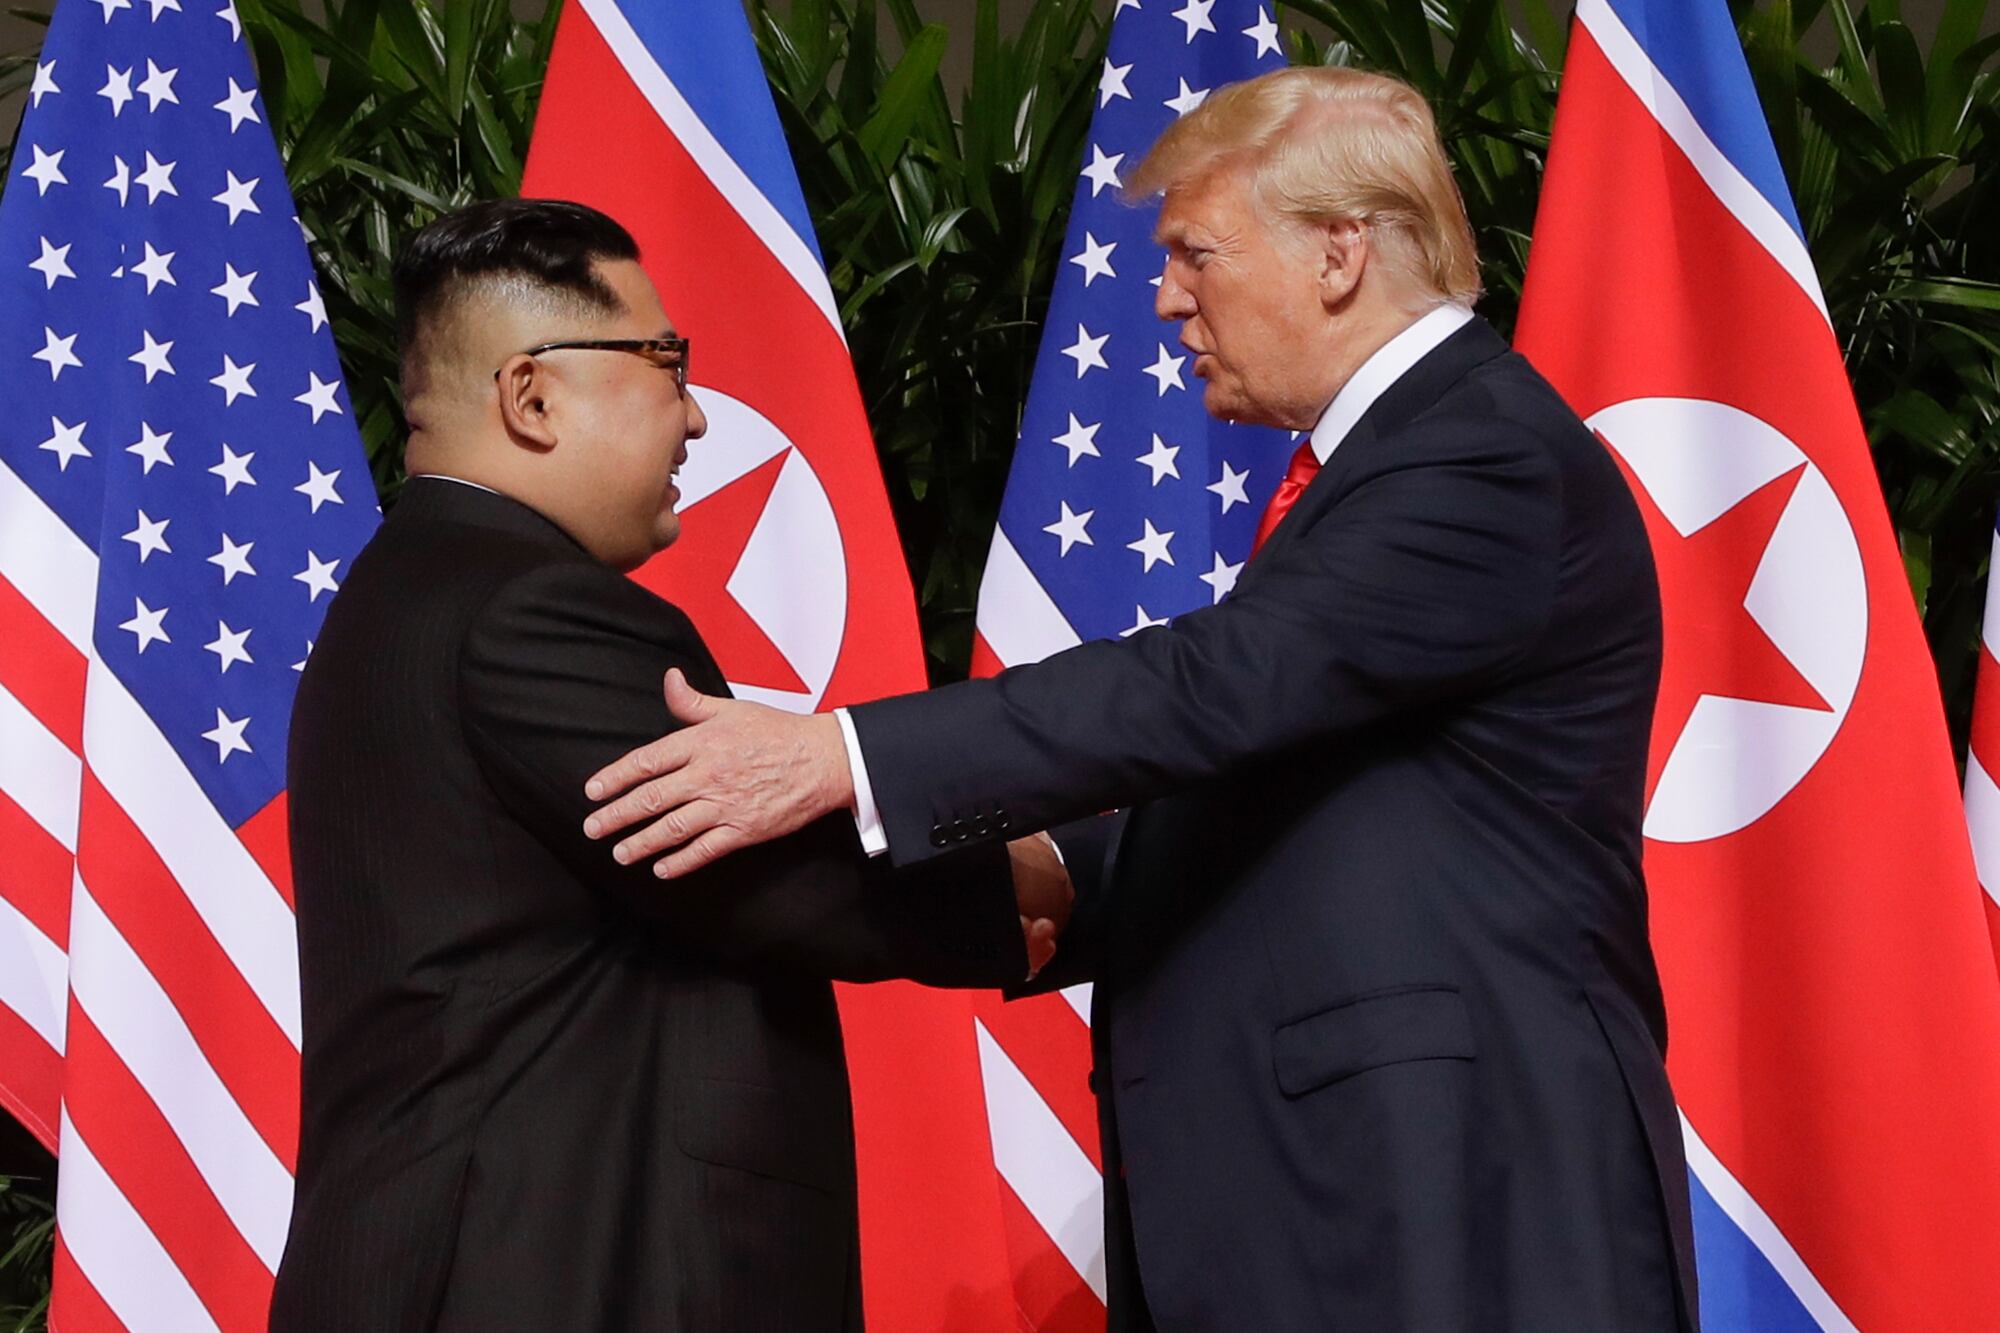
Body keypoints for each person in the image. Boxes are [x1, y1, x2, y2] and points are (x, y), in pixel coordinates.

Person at [581, 67, 1698, 1332]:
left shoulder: (1479, 453)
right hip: (1341, 1193)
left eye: (1195, 254)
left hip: (1445, 1182)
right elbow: (1297, 777)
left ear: (1338, 252)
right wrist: (1060, 870)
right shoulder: (1394, 461)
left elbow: (1216, 682)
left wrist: (839, 755)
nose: (1166, 298)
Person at [270, 199, 1067, 1332]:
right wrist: (1049, 882)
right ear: (530, 394)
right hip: (549, 1278)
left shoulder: (417, 591)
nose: (694, 415)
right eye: (664, 361)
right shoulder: (523, 608)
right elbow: (774, 871)